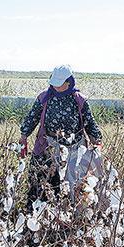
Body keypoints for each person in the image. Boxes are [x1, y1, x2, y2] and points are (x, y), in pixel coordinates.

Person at [19, 65, 104, 205]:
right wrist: (24, 136)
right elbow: (32, 117)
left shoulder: (79, 100)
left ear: (69, 82)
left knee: (74, 184)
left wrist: (97, 141)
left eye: (60, 84)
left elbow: (89, 122)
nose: (56, 87)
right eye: (54, 84)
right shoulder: (44, 97)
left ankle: (70, 211)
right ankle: (40, 209)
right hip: (49, 144)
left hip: (74, 147)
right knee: (43, 179)